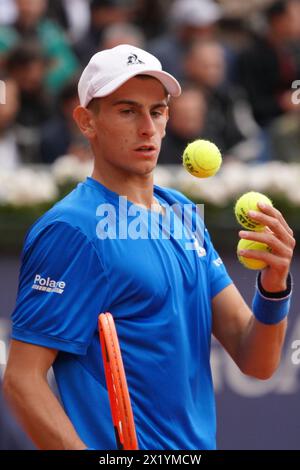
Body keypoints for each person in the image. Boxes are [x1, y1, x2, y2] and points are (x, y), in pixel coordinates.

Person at [3, 44, 295, 450]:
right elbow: (22, 380)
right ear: (86, 121)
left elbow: (258, 361)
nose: (147, 127)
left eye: (156, 111)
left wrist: (274, 285)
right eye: (127, 111)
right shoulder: (71, 230)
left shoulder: (181, 213)